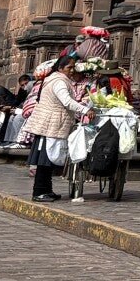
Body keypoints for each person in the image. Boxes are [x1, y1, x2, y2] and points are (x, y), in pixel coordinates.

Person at [25, 57, 85, 202]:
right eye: (69, 67)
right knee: (45, 160)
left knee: (49, 161)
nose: (72, 71)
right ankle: (39, 192)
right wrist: (85, 110)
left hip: (51, 124)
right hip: (50, 125)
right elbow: (67, 101)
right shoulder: (59, 81)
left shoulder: (57, 79)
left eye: (73, 67)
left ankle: (47, 190)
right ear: (60, 68)